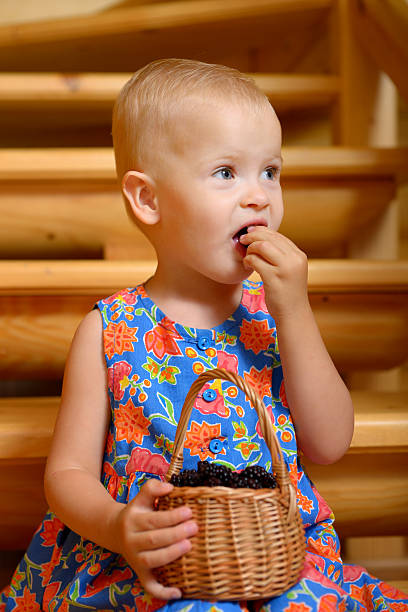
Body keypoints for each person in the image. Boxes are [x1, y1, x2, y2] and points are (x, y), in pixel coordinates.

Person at [1, 58, 407, 612]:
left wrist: (295, 312)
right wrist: (121, 526)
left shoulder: (274, 317)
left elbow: (330, 442)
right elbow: (67, 474)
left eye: (270, 171)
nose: (260, 196)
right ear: (148, 200)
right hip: (153, 563)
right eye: (225, 173)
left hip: (273, 557)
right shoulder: (109, 328)